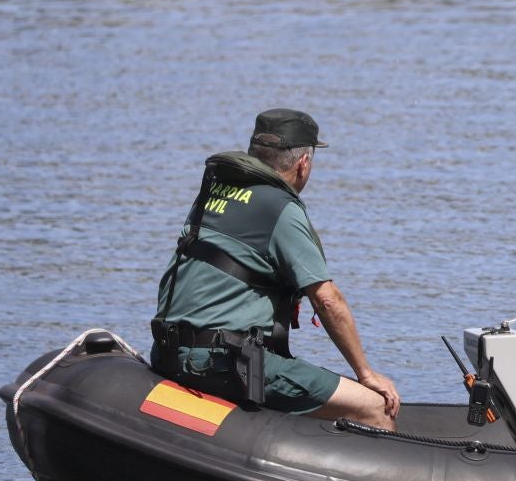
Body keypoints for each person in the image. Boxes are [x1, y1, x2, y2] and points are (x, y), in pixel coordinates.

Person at [152, 108, 400, 430]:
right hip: (221, 363)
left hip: (168, 352)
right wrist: (366, 374)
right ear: (303, 163)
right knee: (376, 408)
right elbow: (327, 301)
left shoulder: (212, 192)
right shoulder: (280, 209)